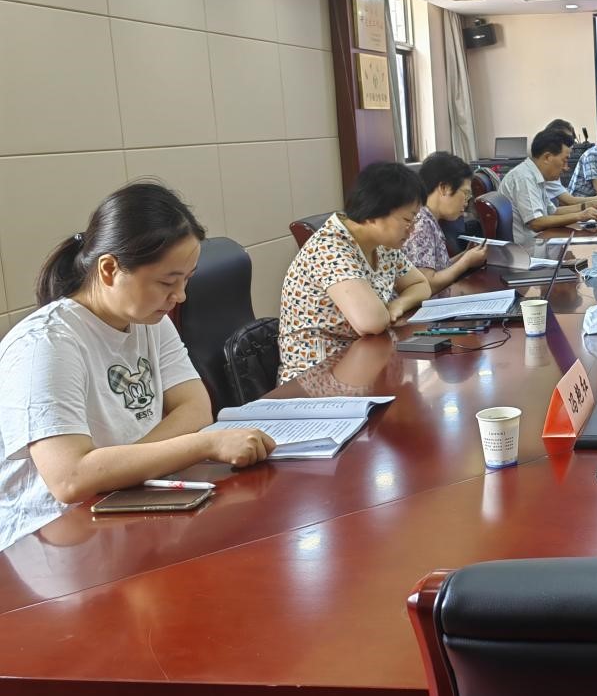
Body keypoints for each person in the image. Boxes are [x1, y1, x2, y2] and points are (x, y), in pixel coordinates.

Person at [0, 183, 275, 552]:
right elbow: (70, 478)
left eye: (186, 279)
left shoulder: (149, 319)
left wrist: (124, 468)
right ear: (109, 269)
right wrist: (203, 444)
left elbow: (195, 407)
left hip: (122, 509)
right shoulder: (45, 345)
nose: (180, 296)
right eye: (167, 282)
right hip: (49, 542)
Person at [278, 162, 432, 382]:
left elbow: (421, 285)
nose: (412, 229)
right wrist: (387, 311)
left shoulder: (382, 244)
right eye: (407, 220)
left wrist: (398, 304)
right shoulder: (330, 247)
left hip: (363, 360)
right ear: (373, 213)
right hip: (317, 376)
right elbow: (372, 322)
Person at [499, 128, 597, 248]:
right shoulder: (524, 177)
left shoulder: (536, 176)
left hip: (539, 242)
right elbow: (536, 223)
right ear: (547, 157)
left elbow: (553, 212)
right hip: (526, 250)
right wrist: (579, 216)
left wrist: (586, 206)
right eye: (564, 160)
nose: (566, 168)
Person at [402, 152, 488, 296]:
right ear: (444, 188)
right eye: (465, 194)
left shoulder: (429, 218)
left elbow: (439, 269)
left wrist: (465, 255)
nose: (466, 203)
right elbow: (428, 284)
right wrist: (466, 262)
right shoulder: (421, 223)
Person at [543, 119, 597, 206]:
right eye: (567, 142)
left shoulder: (550, 172)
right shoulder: (593, 154)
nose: (566, 168)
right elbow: (570, 201)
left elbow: (554, 211)